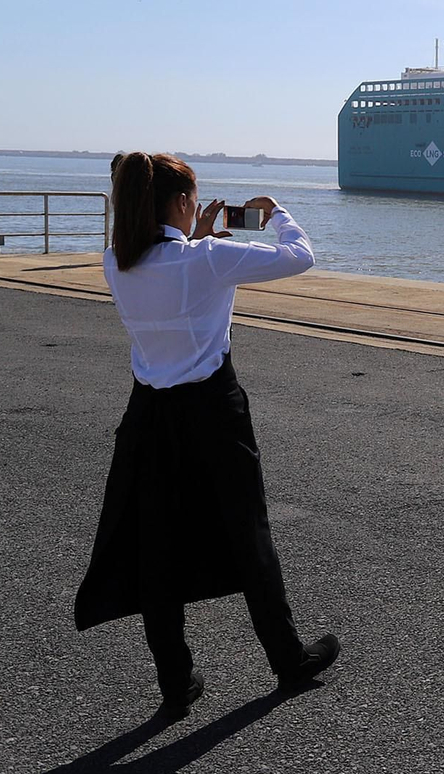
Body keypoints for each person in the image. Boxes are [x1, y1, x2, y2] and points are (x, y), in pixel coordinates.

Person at [74, 152, 339, 720]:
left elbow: (170, 264)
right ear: (179, 202)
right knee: (249, 529)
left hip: (148, 412)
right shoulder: (210, 258)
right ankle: (287, 658)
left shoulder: (114, 262)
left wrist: (191, 236)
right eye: (192, 196)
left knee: (156, 541)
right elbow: (301, 257)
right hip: (213, 409)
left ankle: (176, 679)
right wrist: (276, 214)